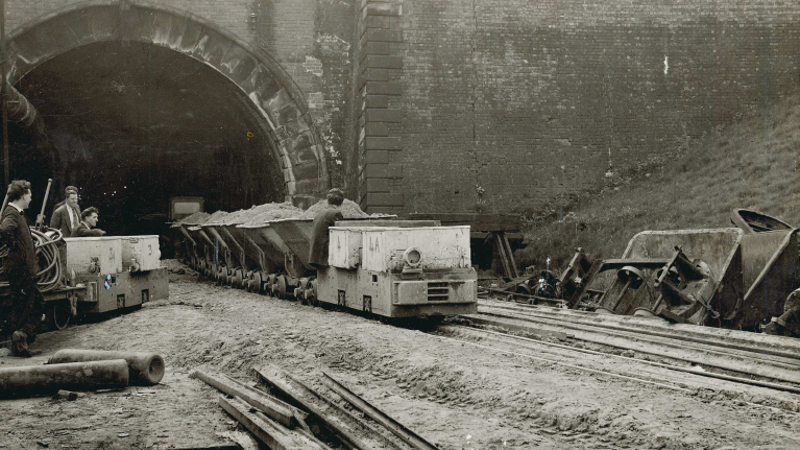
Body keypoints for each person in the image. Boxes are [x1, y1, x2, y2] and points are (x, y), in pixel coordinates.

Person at [0, 180, 45, 357]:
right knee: (26, 305)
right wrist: (14, 249)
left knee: (31, 303)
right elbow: (4, 230)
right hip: (20, 269)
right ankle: (20, 341)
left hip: (21, 269)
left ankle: (21, 338)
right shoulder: (11, 213)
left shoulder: (17, 214)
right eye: (30, 195)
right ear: (23, 195)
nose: (31, 199)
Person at [308, 188, 344, 268]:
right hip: (324, 256)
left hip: (315, 255)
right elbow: (341, 235)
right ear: (341, 202)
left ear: (328, 201)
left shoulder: (320, 213)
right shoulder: (336, 213)